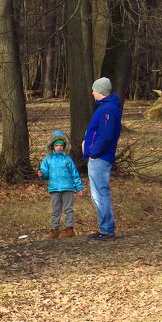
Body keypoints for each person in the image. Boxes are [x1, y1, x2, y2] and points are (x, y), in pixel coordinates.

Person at [82, 77, 123, 241]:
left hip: (100, 158)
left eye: (94, 90)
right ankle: (105, 228)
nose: (92, 93)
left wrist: (93, 152)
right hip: (99, 157)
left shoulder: (107, 110)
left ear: (100, 91)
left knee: (100, 194)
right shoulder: (107, 108)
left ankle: (106, 230)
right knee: (98, 193)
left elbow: (105, 136)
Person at [37, 130, 83, 237]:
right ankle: (54, 229)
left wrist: (79, 187)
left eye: (61, 145)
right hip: (54, 188)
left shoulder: (68, 159)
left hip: (68, 188)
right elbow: (45, 174)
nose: (59, 147)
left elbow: (74, 174)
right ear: (52, 146)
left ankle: (70, 229)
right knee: (55, 209)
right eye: (56, 145)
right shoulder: (48, 160)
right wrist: (41, 174)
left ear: (65, 146)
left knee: (68, 209)